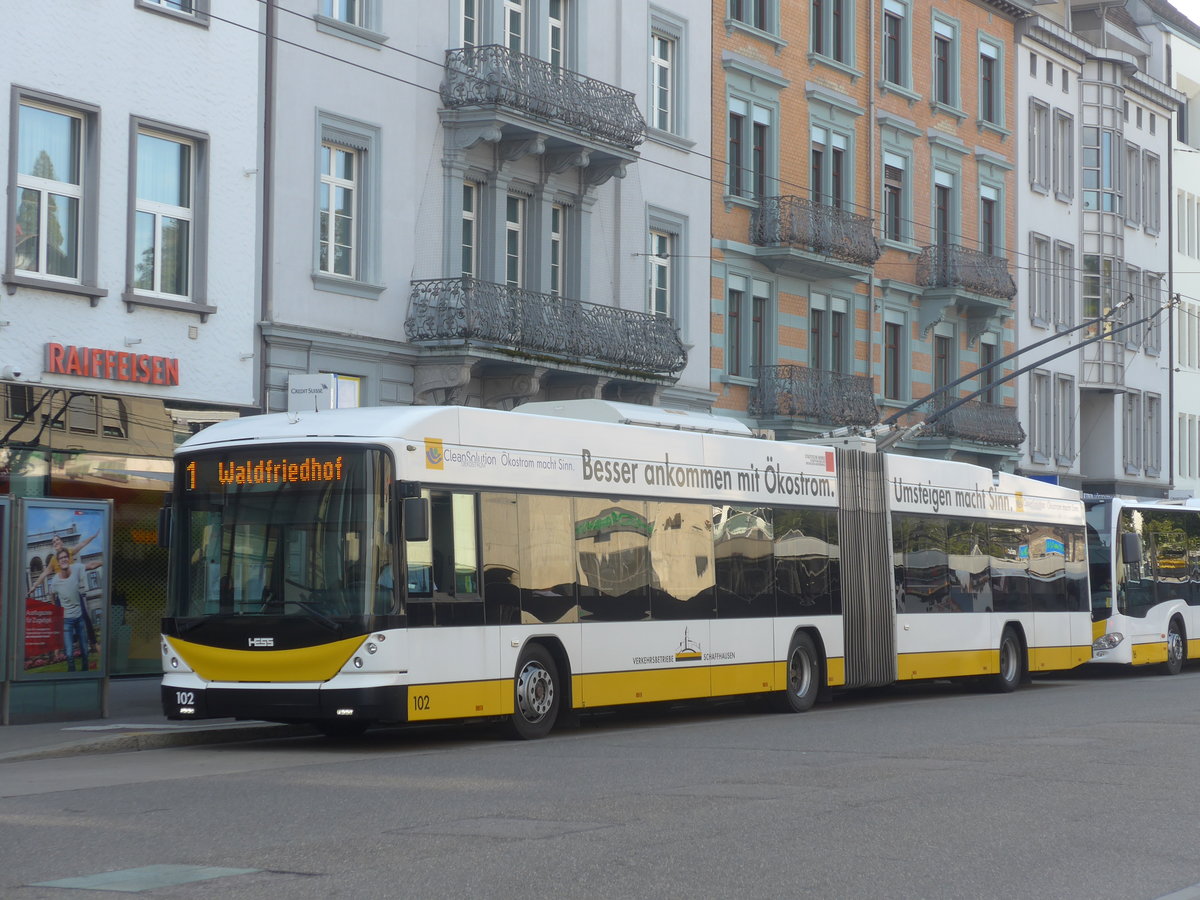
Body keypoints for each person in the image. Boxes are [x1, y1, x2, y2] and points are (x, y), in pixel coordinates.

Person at [49, 548, 102, 673]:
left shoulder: (77, 568)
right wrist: (55, 608)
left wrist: (104, 562)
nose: (63, 559)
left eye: (65, 557)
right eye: (61, 558)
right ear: (58, 562)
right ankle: (71, 676)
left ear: (68, 559)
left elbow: (91, 565)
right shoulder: (55, 581)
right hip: (67, 621)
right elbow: (51, 593)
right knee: (69, 654)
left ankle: (84, 674)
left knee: (85, 652)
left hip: (79, 619)